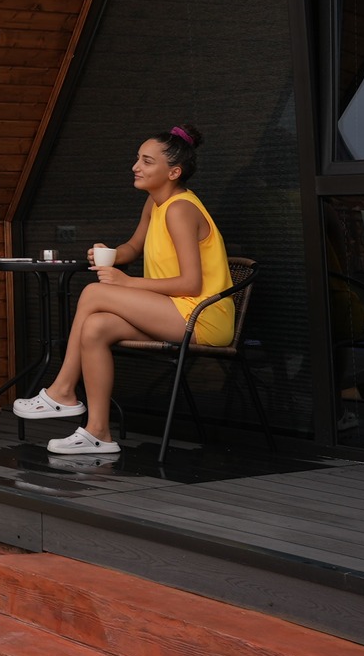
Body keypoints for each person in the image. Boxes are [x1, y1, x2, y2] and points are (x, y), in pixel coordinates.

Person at [13, 125, 235, 456]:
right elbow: (133, 247)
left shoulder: (180, 209)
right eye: (138, 159)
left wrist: (128, 283)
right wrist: (111, 254)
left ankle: (62, 390)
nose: (136, 167)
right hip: (171, 310)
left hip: (201, 317)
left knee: (93, 294)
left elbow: (191, 284)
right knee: (95, 327)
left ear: (173, 172)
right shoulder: (155, 204)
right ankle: (98, 433)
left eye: (147, 161)